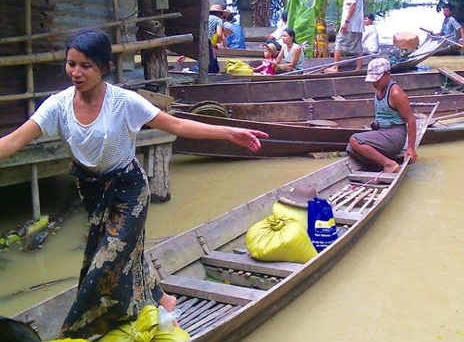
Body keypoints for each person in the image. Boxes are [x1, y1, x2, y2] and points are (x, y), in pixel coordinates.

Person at [0, 30, 268, 339]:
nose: (76, 72)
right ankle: (164, 300)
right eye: (71, 64)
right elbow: (15, 140)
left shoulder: (124, 102)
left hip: (128, 190)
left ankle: (72, 333)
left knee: (105, 262)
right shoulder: (57, 106)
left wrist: (228, 133)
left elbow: (176, 125)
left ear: (104, 68)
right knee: (130, 252)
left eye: (85, 66)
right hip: (91, 190)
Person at [347, 58, 417, 173]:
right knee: (351, 149)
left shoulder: (396, 93)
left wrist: (410, 148)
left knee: (354, 140)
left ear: (388, 74)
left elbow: (411, 120)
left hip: (395, 135)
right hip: (384, 133)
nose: (374, 83)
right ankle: (383, 164)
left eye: (377, 80)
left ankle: (389, 164)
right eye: (373, 80)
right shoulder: (379, 89)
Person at [325, 0, 364, 73]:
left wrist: (346, 21)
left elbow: (352, 5)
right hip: (357, 23)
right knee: (358, 45)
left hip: (351, 23)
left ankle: (335, 67)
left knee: (339, 41)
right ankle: (358, 68)